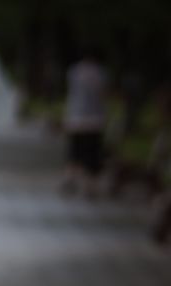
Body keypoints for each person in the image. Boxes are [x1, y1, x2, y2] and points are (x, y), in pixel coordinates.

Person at [62, 48, 109, 195]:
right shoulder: (100, 73)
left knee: (75, 152)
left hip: (76, 119)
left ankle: (70, 178)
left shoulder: (74, 72)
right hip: (95, 121)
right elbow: (103, 94)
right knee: (92, 154)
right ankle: (90, 185)